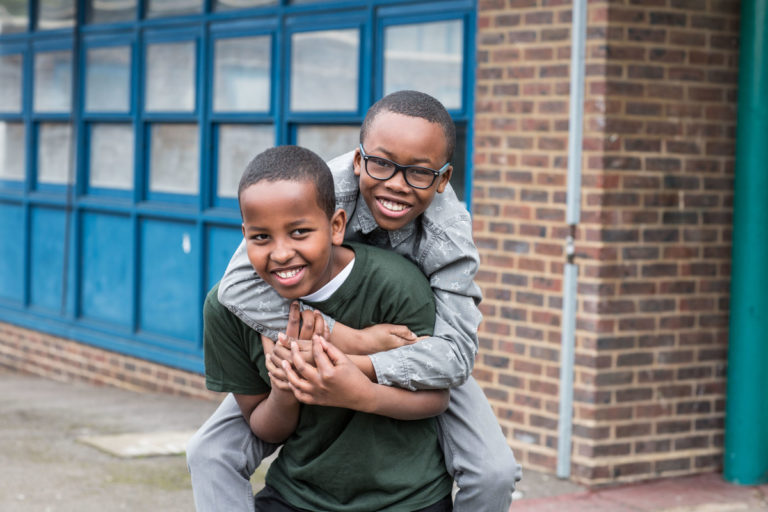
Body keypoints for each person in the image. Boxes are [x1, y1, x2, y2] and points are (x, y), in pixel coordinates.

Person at [187, 90, 521, 512]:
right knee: (208, 453)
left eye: (418, 173)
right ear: (359, 159)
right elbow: (236, 287)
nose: (395, 184)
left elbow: (455, 356)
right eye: (381, 164)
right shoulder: (316, 189)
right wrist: (347, 338)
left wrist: (359, 366)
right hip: (319, 333)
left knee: (494, 474)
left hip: (413, 340)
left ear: (443, 179)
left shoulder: (449, 234)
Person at [205, 145, 453, 511]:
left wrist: (358, 389)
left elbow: (436, 398)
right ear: (244, 235)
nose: (281, 253)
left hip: (406, 499)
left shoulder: (397, 284)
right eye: (261, 237)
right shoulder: (228, 310)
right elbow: (266, 428)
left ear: (337, 226)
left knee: (491, 472)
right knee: (206, 454)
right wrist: (284, 390)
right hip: (300, 494)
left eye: (300, 232)